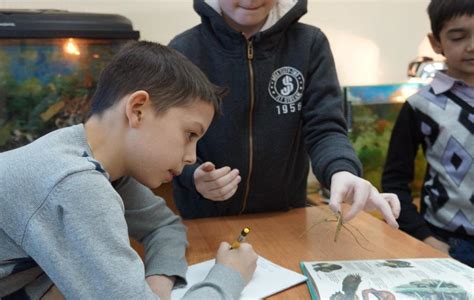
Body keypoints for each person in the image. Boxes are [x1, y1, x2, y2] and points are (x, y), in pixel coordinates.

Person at [0, 41, 257, 299]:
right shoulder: (74, 183)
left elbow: (164, 227)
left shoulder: (102, 166)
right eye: (190, 134)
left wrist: (157, 283)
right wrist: (229, 275)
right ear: (137, 110)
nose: (192, 158)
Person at [169, 0, 401, 226]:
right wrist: (194, 175)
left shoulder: (309, 44)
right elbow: (172, 138)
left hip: (286, 217)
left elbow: (325, 128)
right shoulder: (185, 50)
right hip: (206, 220)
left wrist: (341, 170)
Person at [382, 0, 474, 267]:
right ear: (436, 43)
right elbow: (394, 182)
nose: (471, 46)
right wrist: (424, 237)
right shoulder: (419, 106)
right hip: (450, 244)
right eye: (458, 37)